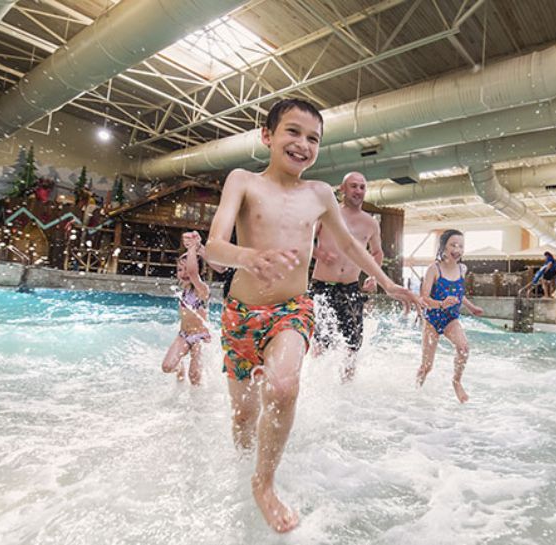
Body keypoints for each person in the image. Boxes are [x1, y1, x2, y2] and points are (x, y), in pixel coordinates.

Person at [205, 98, 421, 534]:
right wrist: (249, 257)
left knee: (284, 387)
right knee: (244, 417)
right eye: (292, 132)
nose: (303, 144)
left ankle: (263, 483)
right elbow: (213, 247)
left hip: (292, 310)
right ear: (267, 136)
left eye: (313, 138)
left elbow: (352, 247)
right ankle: (242, 464)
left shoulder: (320, 194)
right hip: (241, 314)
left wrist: (389, 281)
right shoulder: (243, 181)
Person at [309, 171, 383, 381]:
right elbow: (305, 239)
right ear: (342, 189)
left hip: (351, 287)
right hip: (322, 286)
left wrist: (373, 275)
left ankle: (346, 386)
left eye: (362, 187)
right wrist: (320, 254)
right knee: (320, 340)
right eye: (353, 186)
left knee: (353, 343)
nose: (358, 191)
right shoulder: (327, 214)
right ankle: (314, 382)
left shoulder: (370, 223)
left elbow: (377, 252)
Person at [417, 229, 484, 404]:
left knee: (463, 348)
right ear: (443, 247)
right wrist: (441, 303)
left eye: (461, 246)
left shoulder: (463, 269)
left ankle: (456, 381)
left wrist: (471, 307)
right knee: (427, 366)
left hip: (451, 320)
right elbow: (424, 298)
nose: (457, 249)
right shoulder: (434, 269)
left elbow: (459, 294)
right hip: (432, 319)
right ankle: (416, 391)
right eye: (453, 245)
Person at [161, 242, 210, 386]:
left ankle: (196, 403)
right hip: (183, 335)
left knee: (194, 375)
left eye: (187, 269)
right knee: (167, 367)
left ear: (198, 271)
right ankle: (180, 366)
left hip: (200, 337)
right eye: (179, 269)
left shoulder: (203, 291)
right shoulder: (182, 289)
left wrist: (192, 250)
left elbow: (194, 274)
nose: (183, 274)